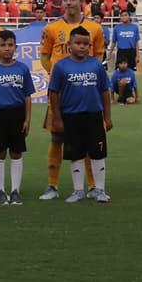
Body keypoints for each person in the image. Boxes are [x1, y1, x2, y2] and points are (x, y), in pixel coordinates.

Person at [37, 0, 106, 200]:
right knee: (57, 138)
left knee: (89, 141)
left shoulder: (95, 29)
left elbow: (99, 57)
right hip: (61, 94)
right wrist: (59, 77)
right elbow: (45, 56)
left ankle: (94, 187)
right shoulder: (51, 28)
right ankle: (52, 186)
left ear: (81, 1)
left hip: (86, 93)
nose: (68, 3)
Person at [47, 27, 113, 204]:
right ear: (70, 44)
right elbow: (53, 93)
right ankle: (78, 191)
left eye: (86, 44)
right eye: (78, 43)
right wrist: (58, 118)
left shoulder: (97, 65)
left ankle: (99, 189)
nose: (82, 47)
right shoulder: (61, 67)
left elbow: (105, 91)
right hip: (71, 116)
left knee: (98, 153)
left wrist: (107, 116)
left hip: (94, 116)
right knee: (75, 154)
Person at [0, 30, 35, 206]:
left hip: (17, 114)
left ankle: (16, 190)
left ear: (15, 47)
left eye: (10, 45)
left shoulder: (22, 69)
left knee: (17, 152)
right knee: (0, 152)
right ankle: (0, 190)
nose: (7, 48)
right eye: (3, 45)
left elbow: (27, 96)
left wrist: (27, 120)